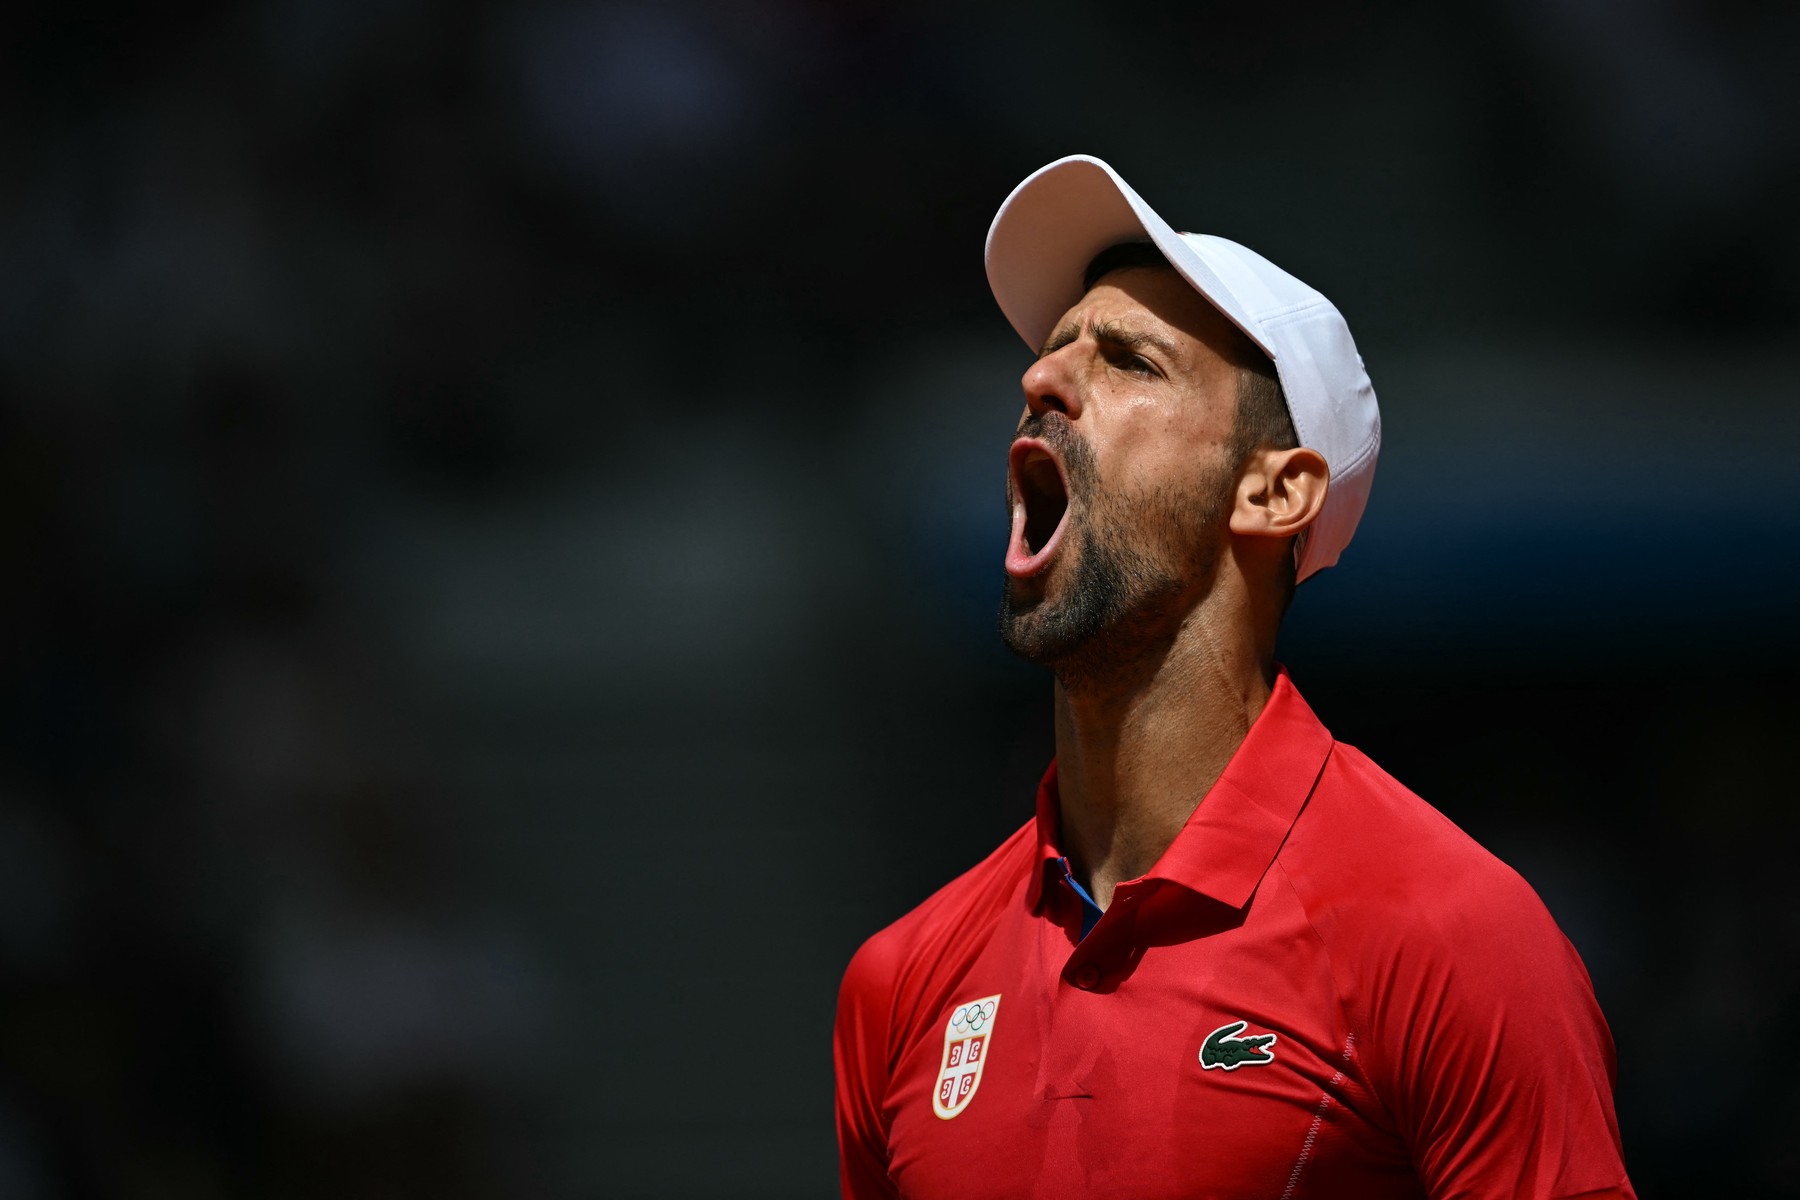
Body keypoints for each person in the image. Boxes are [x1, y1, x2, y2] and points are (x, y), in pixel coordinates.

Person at [833, 155, 1633, 1200]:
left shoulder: (1455, 937)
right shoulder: (900, 985)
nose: (1039, 380)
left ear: (1273, 491)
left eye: (1128, 360)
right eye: (1052, 349)